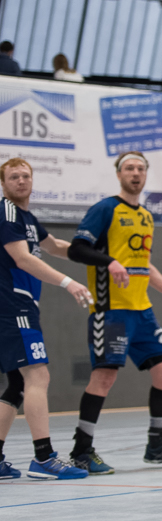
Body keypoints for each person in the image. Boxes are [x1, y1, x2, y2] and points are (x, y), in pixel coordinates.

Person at [66, 151, 162, 474]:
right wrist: (109, 262)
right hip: (111, 310)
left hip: (142, 311)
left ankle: (157, 444)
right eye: (129, 168)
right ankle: (81, 451)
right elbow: (76, 249)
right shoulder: (105, 209)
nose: (135, 173)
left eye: (140, 168)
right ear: (119, 174)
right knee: (105, 376)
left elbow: (144, 265)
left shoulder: (147, 217)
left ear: (146, 174)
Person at [0, 158, 92, 480]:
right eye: (14, 176)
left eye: (26, 175)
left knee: (17, 384)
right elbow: (23, 259)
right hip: (12, 306)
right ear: (3, 183)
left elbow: (54, 247)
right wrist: (69, 283)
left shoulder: (27, 217)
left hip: (20, 307)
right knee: (38, 376)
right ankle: (43, 457)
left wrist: (98, 255)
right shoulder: (7, 212)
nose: (21, 181)